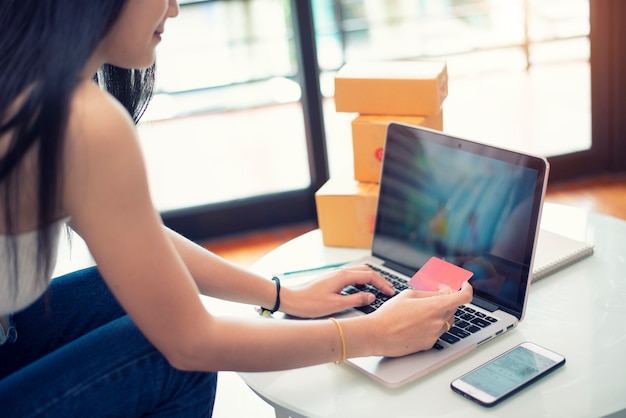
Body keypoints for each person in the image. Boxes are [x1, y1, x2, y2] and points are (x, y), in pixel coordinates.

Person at [0, 1, 473, 416]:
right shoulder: (80, 119)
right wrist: (371, 335)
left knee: (121, 291)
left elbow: (138, 240)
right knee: (168, 356)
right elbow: (190, 343)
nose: (174, 9)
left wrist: (283, 296)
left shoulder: (29, 81)